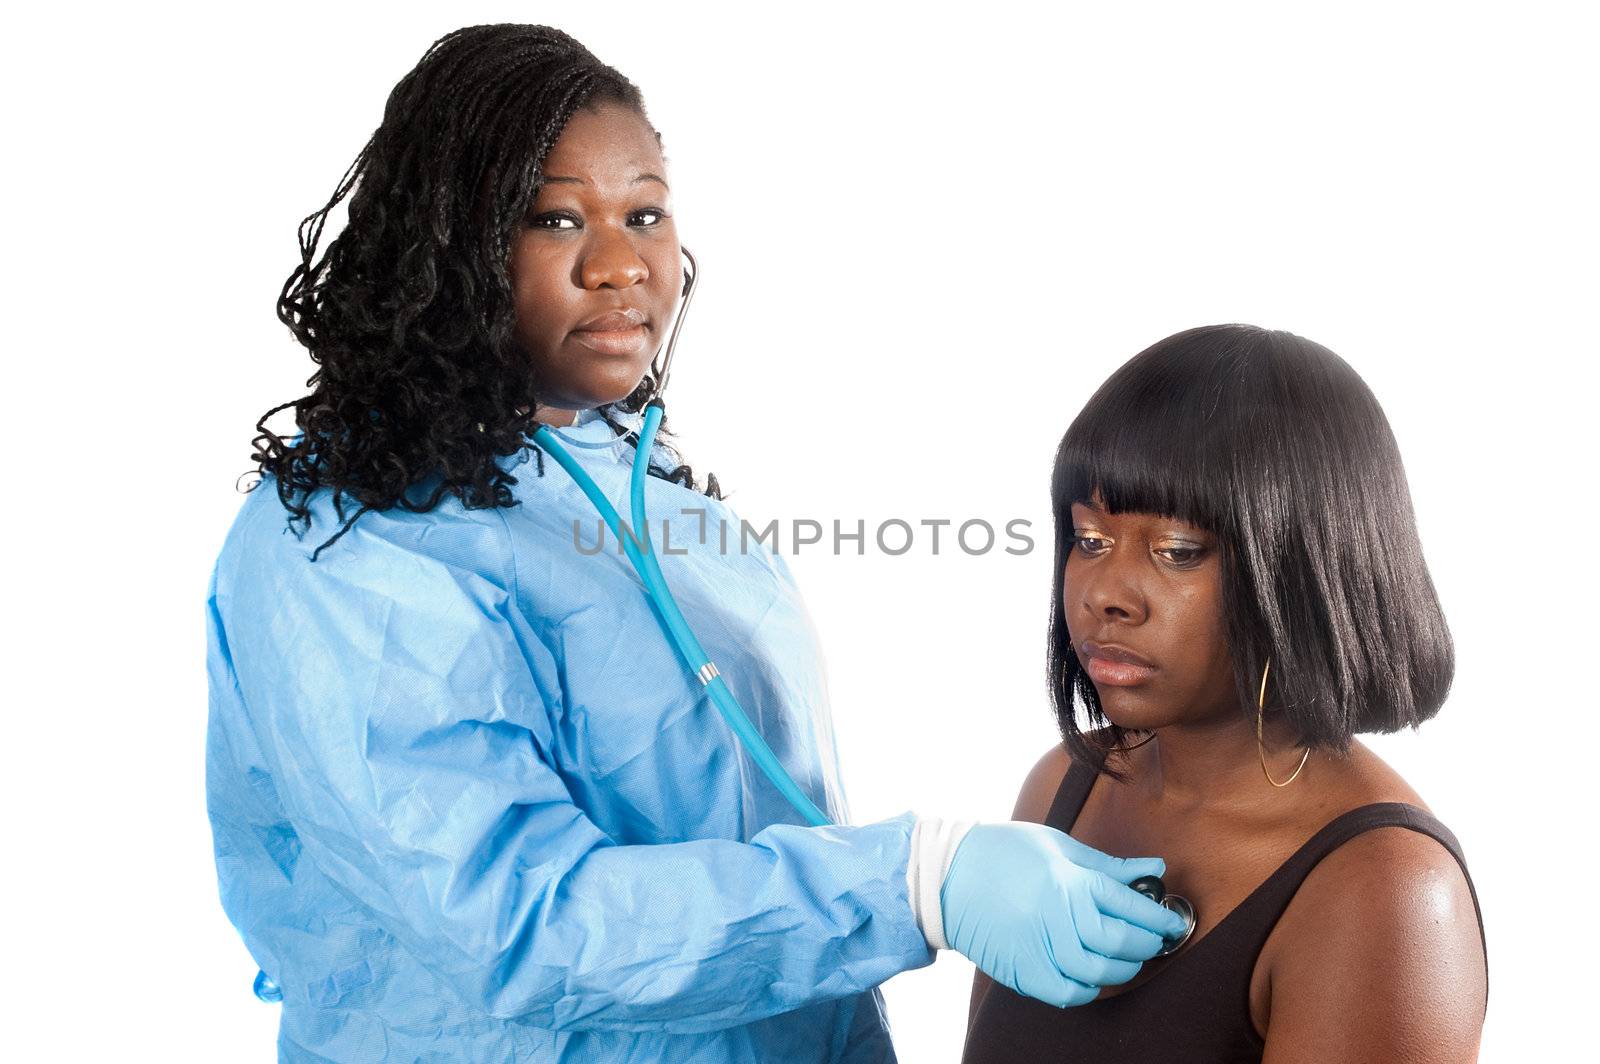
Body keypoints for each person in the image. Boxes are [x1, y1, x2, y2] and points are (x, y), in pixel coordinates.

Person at [204, 24, 1186, 1063]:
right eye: (555, 217)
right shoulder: (355, 545)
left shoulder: (640, 482)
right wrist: (911, 883)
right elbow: (523, 925)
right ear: (444, 243)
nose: (622, 265)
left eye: (645, 212)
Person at [961, 324, 1489, 1062]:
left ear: (1307, 567)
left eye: (1177, 552)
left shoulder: (1389, 891)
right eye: (1089, 539)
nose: (1107, 594)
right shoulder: (1063, 784)